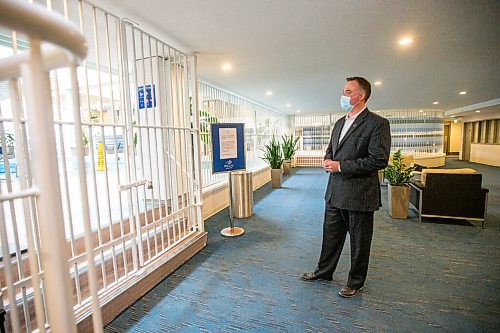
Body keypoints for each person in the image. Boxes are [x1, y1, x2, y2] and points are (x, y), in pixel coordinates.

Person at [300, 76, 391, 298]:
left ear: (361, 95)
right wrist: (327, 159)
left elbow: (378, 160)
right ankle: (323, 272)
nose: (344, 95)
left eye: (348, 91)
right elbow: (332, 149)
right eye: (344, 90)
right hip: (334, 192)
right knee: (330, 236)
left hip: (359, 194)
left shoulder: (377, 124)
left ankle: (355, 282)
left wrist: (340, 166)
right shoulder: (340, 122)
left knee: (359, 243)